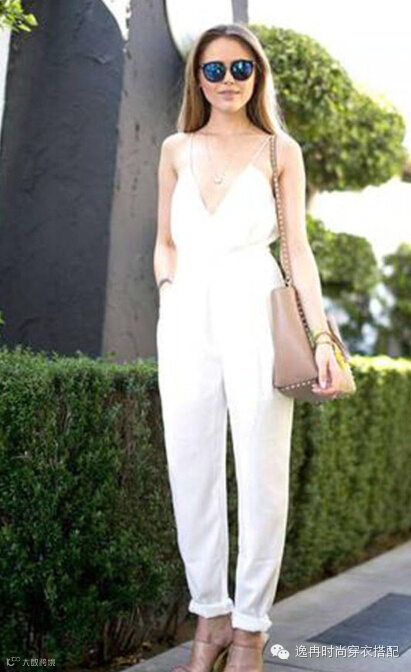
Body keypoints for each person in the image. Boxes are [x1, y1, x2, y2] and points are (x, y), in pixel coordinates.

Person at [153, 22, 343, 672]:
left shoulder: (279, 149)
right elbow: (164, 241)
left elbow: (297, 251)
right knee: (190, 466)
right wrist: (169, 288)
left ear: (258, 75)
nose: (228, 80)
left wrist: (320, 337)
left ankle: (251, 631)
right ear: (197, 78)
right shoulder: (175, 149)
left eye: (241, 68)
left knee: (261, 471)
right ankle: (209, 617)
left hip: (255, 309)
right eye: (214, 69)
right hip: (185, 317)